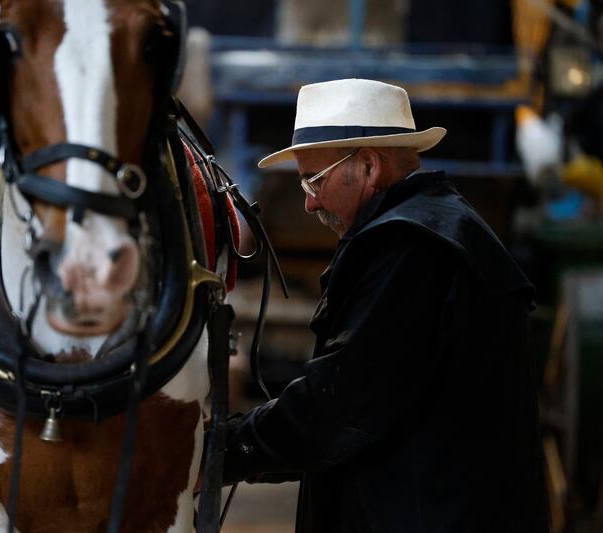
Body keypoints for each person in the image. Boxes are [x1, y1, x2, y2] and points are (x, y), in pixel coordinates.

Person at [220, 79, 549, 532]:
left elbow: (336, 408)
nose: (310, 202)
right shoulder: (440, 228)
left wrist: (220, 450)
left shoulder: (412, 248)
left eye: (314, 180)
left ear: (369, 166)